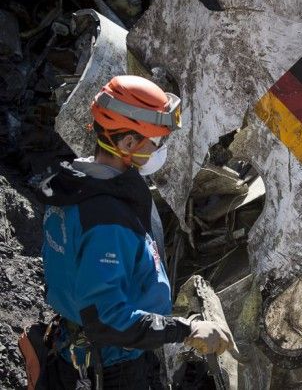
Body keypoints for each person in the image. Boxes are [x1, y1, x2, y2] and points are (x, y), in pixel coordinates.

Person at [38, 75, 234, 389]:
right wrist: (188, 329)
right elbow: (108, 320)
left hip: (79, 345)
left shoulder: (77, 183)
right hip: (111, 367)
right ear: (128, 142)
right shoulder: (105, 220)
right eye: (157, 141)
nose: (163, 149)